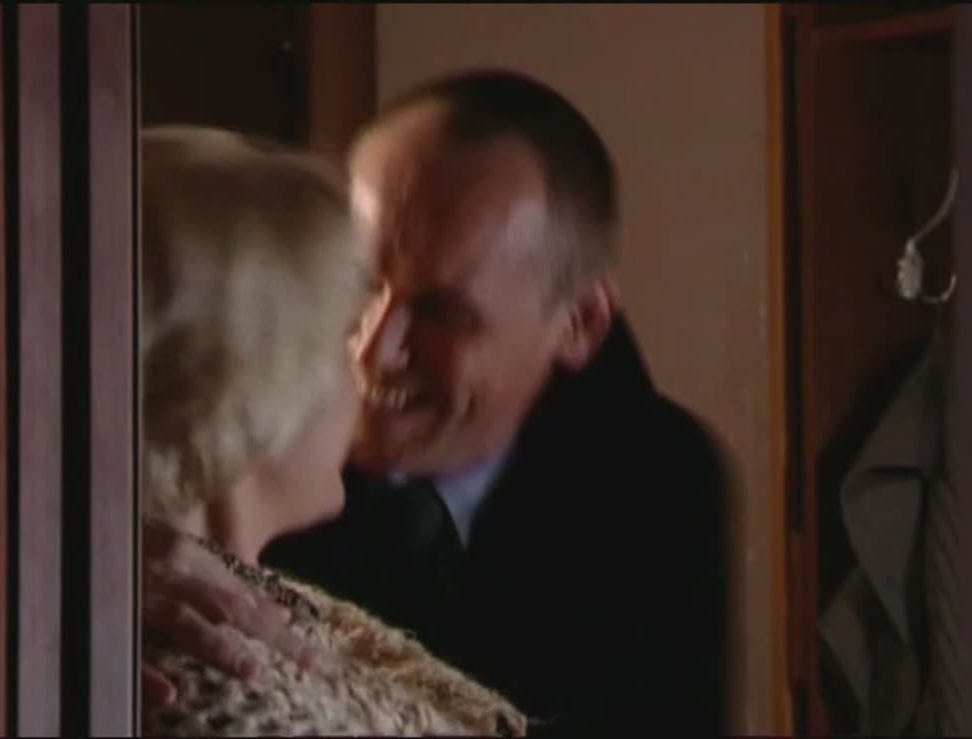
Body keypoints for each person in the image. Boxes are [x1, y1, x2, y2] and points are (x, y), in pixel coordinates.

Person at [257, 69, 730, 735]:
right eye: (360, 284)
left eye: (441, 312)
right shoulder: (246, 433)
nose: (374, 350)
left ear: (580, 323)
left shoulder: (661, 484)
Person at [136, 124, 526, 736]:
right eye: (344, 335)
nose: (365, 372)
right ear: (246, 384)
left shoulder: (278, 605)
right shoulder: (219, 697)